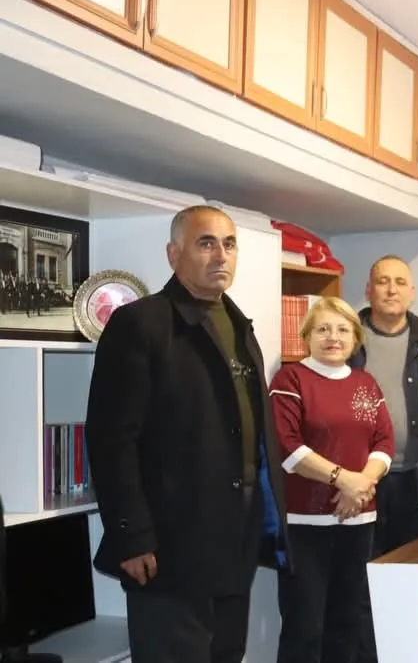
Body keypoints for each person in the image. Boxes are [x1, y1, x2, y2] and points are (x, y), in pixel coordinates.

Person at [84, 205, 289, 663]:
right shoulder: (141, 323)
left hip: (233, 542)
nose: (221, 255)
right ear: (173, 254)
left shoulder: (239, 326)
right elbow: (111, 439)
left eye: (229, 244)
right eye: (206, 243)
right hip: (168, 547)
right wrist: (131, 535)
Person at [269, 297, 393, 663]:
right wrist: (343, 480)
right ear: (307, 336)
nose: (333, 337)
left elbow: (384, 442)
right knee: (304, 625)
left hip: (359, 520)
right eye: (323, 329)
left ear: (355, 338)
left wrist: (361, 483)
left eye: (342, 330)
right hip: (304, 524)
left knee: (347, 623)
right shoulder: (290, 379)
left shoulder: (366, 383)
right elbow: (286, 447)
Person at [352, 256, 418, 663]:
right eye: (382, 281)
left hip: (416, 481)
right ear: (368, 290)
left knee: (411, 580)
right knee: (362, 579)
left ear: (412, 292)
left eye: (400, 282)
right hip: (362, 481)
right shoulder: (348, 335)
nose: (391, 289)